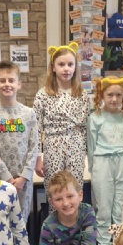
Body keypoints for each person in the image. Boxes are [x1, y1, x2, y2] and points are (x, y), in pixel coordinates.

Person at [87, 76, 123, 245]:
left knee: (121, 207)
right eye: (110, 95)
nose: (114, 99)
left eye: (118, 95)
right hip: (102, 162)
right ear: (102, 95)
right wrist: (94, 170)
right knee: (104, 207)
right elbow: (91, 146)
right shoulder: (95, 117)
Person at [33, 41, 90, 200]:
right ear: (53, 67)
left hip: (76, 146)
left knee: (74, 188)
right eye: (61, 64)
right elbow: (36, 129)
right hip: (53, 145)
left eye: (70, 64)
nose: (66, 68)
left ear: (75, 67)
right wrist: (38, 158)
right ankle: (54, 217)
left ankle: (75, 216)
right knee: (54, 188)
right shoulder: (43, 95)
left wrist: (86, 155)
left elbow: (86, 127)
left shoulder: (82, 94)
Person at [0, 60, 39, 223]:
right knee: (0, 220)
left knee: (21, 221)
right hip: (0, 177)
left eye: (11, 80)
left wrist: (24, 177)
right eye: (2, 80)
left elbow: (34, 146)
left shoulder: (29, 113)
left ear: (19, 84)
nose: (7, 84)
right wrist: (7, 177)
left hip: (24, 179)